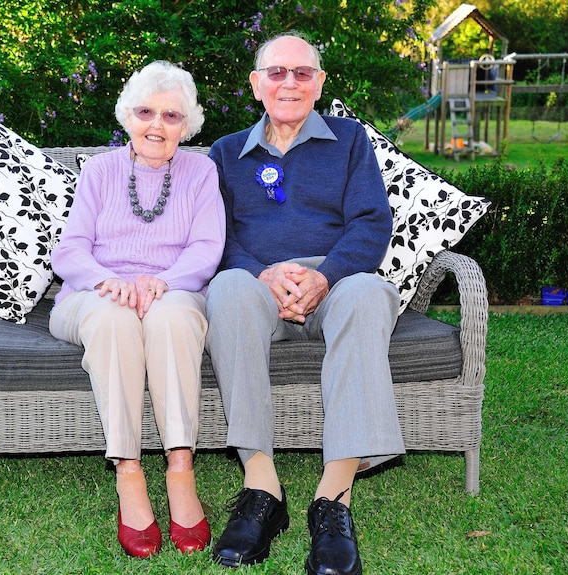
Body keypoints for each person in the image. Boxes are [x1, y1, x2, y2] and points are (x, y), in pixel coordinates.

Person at [205, 33, 405, 575]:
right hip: (257, 284)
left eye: (301, 73)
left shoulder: (349, 139)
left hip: (336, 282)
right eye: (276, 72)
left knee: (368, 293)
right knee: (224, 288)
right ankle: (261, 489)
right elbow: (214, 238)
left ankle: (333, 499)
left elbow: (371, 223)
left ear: (319, 83)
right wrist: (260, 273)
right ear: (256, 84)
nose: (288, 82)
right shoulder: (224, 153)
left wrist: (326, 276)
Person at [49, 60, 226, 559]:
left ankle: (179, 468)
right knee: (115, 318)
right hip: (94, 295)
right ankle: (128, 470)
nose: (157, 125)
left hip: (173, 291)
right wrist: (108, 280)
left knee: (170, 317)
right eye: (146, 111)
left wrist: (162, 282)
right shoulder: (100, 170)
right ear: (128, 116)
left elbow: (208, 247)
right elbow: (70, 249)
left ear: (186, 126)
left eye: (172, 116)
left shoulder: (200, 171)